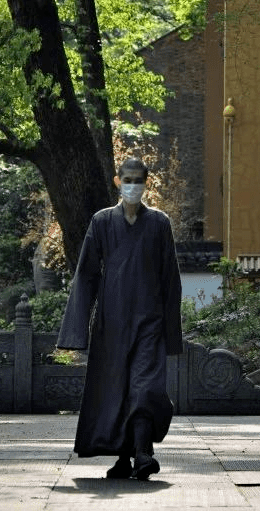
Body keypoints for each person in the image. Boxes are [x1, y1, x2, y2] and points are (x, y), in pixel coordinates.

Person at [56, 157, 182, 481]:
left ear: (146, 182)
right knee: (117, 390)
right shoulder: (101, 223)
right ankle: (126, 458)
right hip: (111, 323)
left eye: (138, 180)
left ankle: (143, 453)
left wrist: (171, 331)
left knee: (144, 387)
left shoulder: (159, 223)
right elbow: (85, 275)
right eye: (127, 180)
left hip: (149, 322)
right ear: (117, 181)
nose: (132, 186)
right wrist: (76, 331)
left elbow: (171, 279)